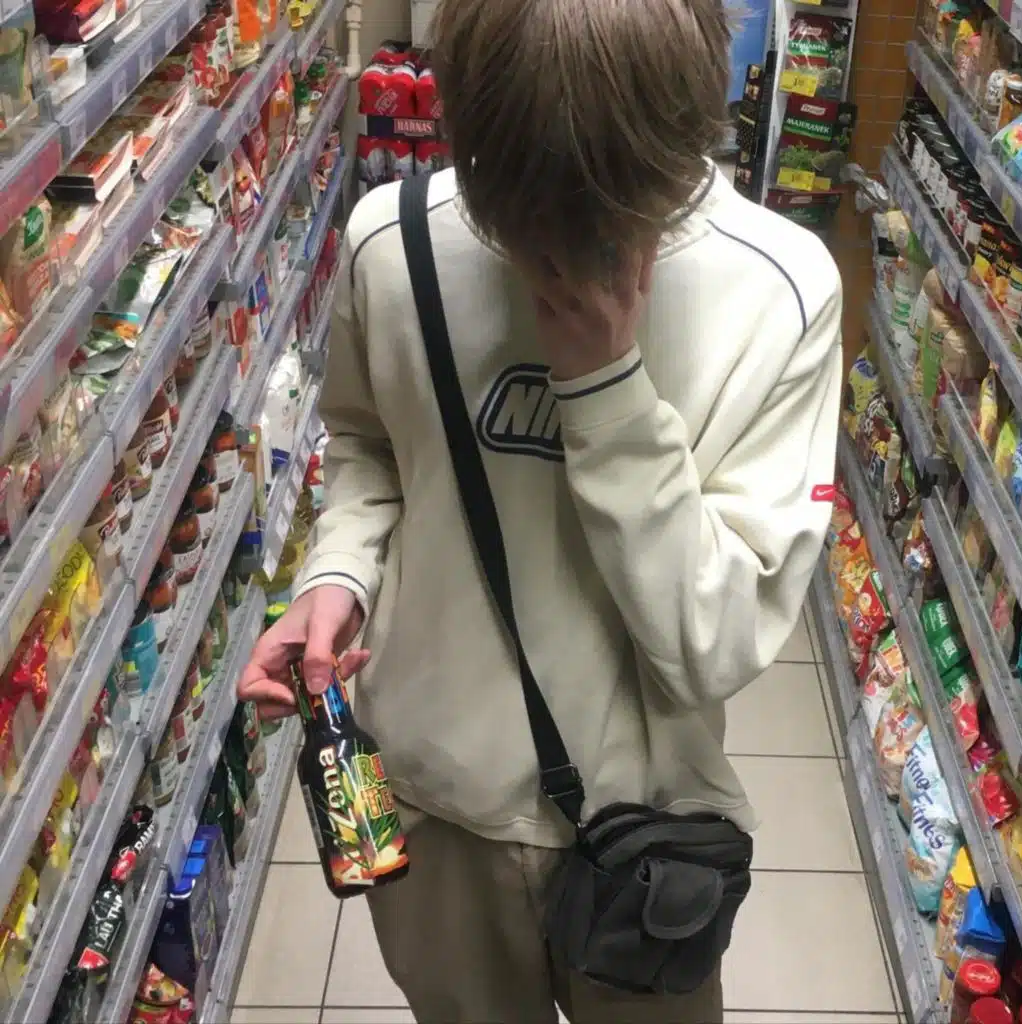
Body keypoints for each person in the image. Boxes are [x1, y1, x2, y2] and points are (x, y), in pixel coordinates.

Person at [238, 0, 844, 1017]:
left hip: (642, 828)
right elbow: (368, 445)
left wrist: (606, 386)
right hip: (428, 804)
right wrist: (335, 575)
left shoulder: (778, 289)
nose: (550, 248)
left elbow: (714, 642)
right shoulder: (394, 243)